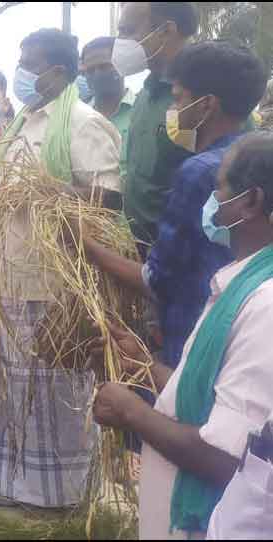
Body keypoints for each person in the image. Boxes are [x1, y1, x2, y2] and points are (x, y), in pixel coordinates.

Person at [0, 28, 122, 509]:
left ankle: (60, 496)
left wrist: (46, 192)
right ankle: (5, 485)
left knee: (53, 391)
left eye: (29, 63)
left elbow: (109, 199)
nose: (22, 73)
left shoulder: (82, 122)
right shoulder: (22, 123)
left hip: (50, 282)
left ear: (56, 71)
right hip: (2, 277)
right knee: (3, 387)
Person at [93, 132, 273, 539]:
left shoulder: (265, 303)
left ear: (250, 202)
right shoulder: (241, 281)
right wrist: (144, 366)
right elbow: (212, 402)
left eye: (220, 188)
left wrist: (130, 411)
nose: (211, 201)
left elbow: (223, 456)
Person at [81, 42, 267, 368]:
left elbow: (159, 281)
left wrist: (87, 246)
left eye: (179, 98)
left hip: (195, 341)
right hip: (248, 336)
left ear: (206, 105)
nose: (173, 110)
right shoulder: (256, 160)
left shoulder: (199, 173)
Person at [115, 2, 200, 246]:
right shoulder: (146, 94)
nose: (120, 42)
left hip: (182, 259)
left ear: (166, 30)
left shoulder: (207, 96)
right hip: (138, 250)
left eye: (128, 31)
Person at [81, 37, 135, 178]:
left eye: (104, 66)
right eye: (90, 70)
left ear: (122, 65)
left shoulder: (141, 112)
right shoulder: (78, 117)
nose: (97, 74)